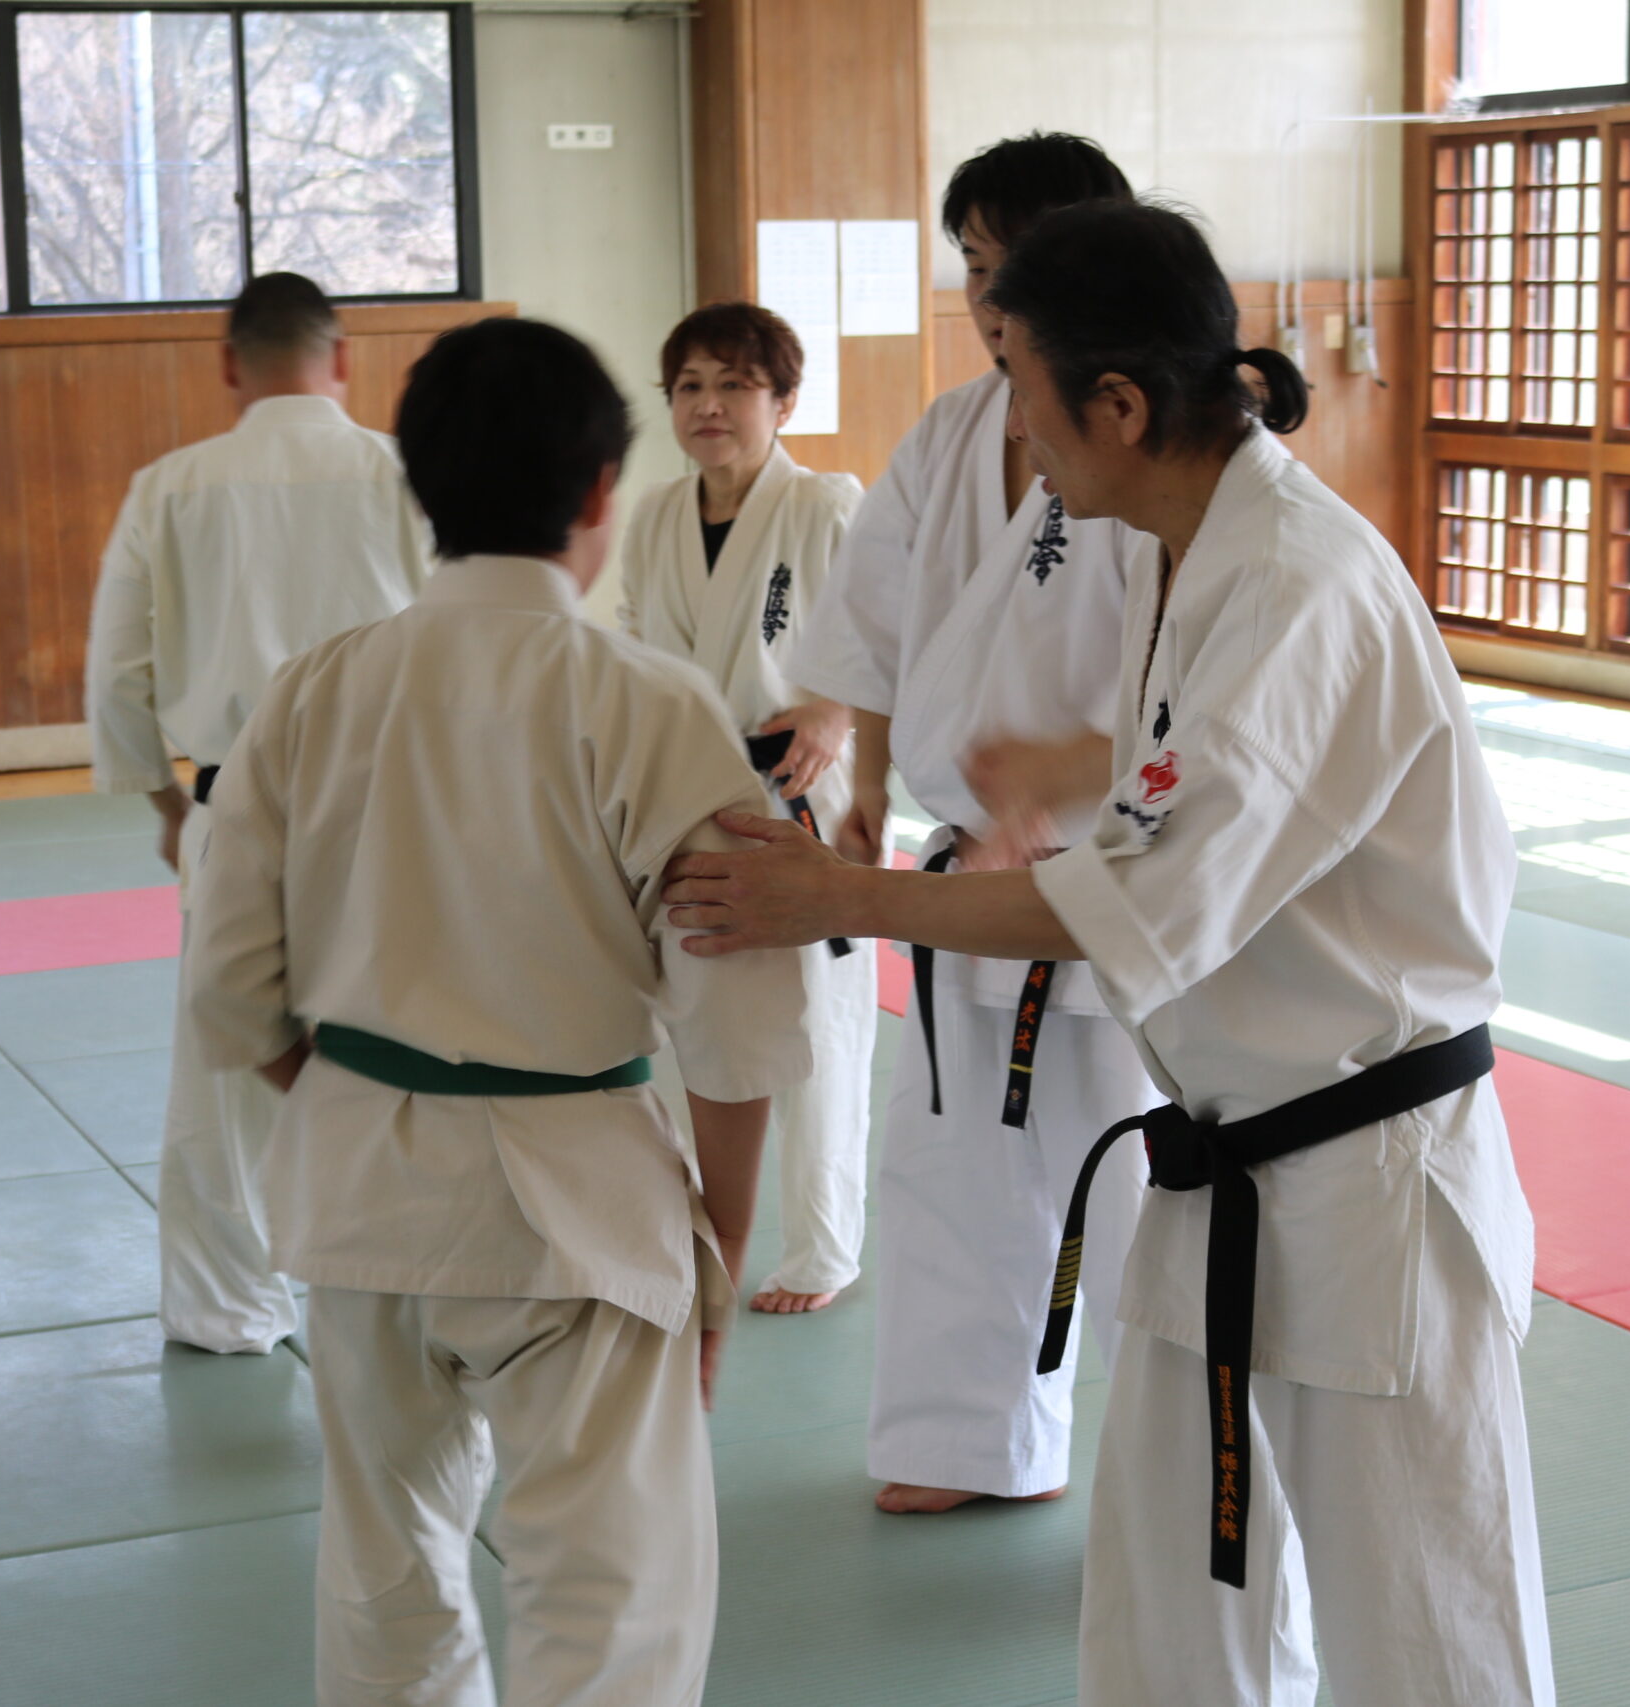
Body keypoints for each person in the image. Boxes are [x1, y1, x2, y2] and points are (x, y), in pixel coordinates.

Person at [661, 198, 1555, 1706]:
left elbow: (1142, 902)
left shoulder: (1296, 580)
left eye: (1024, 384)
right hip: (1221, 1166)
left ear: (1121, 405)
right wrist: (1062, 771)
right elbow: (1190, 779)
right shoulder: (1181, 546)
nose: (1012, 425)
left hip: (1368, 1181)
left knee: (1428, 1638)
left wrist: (842, 900)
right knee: (1166, 1620)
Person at [183, 316, 811, 1706]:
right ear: (601, 491)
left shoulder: (313, 689)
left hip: (360, 1191)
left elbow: (228, 980)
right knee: (613, 1590)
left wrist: (369, 1089)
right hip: (577, 1210)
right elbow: (736, 1016)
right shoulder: (649, 700)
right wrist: (721, 1238)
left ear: (416, 486)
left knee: (384, 1571)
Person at [784, 132, 1155, 1513]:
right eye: (975, 268)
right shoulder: (949, 434)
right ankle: (967, 1443)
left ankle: (1170, 1473)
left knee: (1131, 1190)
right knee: (951, 1166)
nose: (989, 300)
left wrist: (1056, 785)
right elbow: (874, 630)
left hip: (1121, 874)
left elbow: (1213, 699)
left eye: (1013, 267)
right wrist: (868, 790)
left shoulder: (1153, 441)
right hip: (962, 874)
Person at [83, 270, 430, 1355]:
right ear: (344, 360)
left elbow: (116, 671)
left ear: (230, 365)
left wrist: (164, 803)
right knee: (399, 1036)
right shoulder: (408, 473)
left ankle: (225, 1305)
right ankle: (405, 1274)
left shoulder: (172, 485)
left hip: (234, 797)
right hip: (390, 799)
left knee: (227, 1055)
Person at [612, 300, 878, 1315]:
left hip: (796, 790)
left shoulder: (824, 503)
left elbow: (884, 632)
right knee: (700, 1018)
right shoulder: (653, 516)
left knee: (819, 1020)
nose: (709, 405)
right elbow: (633, 652)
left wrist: (833, 710)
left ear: (784, 402)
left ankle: (822, 1249)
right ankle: (698, 1228)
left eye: (734, 384)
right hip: (687, 794)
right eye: (689, 386)